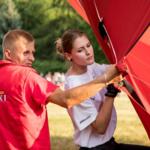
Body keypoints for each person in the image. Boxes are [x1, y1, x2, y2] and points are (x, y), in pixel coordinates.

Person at [0, 29, 119, 150]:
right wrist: (106, 79)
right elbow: (66, 99)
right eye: (26, 53)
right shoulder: (27, 77)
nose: (32, 58)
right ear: (8, 54)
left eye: (32, 53)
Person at [55, 29, 150, 150]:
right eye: (80, 50)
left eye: (88, 46)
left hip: (109, 144)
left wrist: (143, 99)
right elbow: (100, 128)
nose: (88, 52)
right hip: (94, 148)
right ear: (69, 56)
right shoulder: (74, 85)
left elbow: (117, 73)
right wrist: (111, 93)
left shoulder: (90, 67)